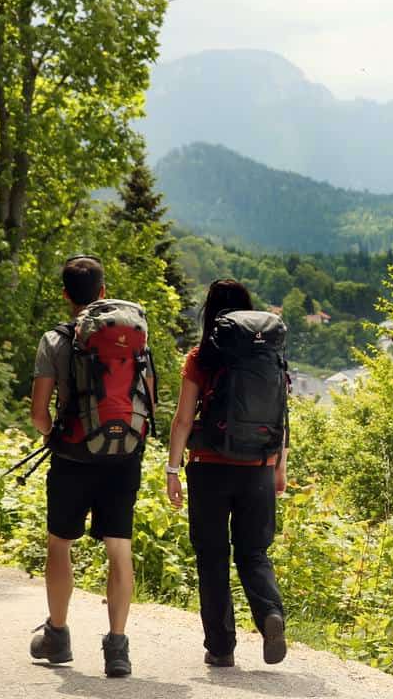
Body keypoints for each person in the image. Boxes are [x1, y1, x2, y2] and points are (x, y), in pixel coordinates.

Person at [28, 255, 140, 678]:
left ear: (64, 295)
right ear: (103, 293)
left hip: (73, 456)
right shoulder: (132, 338)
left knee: (60, 543)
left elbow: (39, 413)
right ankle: (117, 648)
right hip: (123, 455)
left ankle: (56, 635)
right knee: (119, 548)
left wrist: (54, 436)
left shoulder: (54, 341)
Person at [167, 279, 288, 667]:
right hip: (259, 467)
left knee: (213, 557)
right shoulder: (272, 358)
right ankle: (270, 612)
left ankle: (220, 647)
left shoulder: (201, 357)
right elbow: (282, 418)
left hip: (209, 466)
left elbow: (184, 419)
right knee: (254, 552)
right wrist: (279, 468)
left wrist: (173, 468)